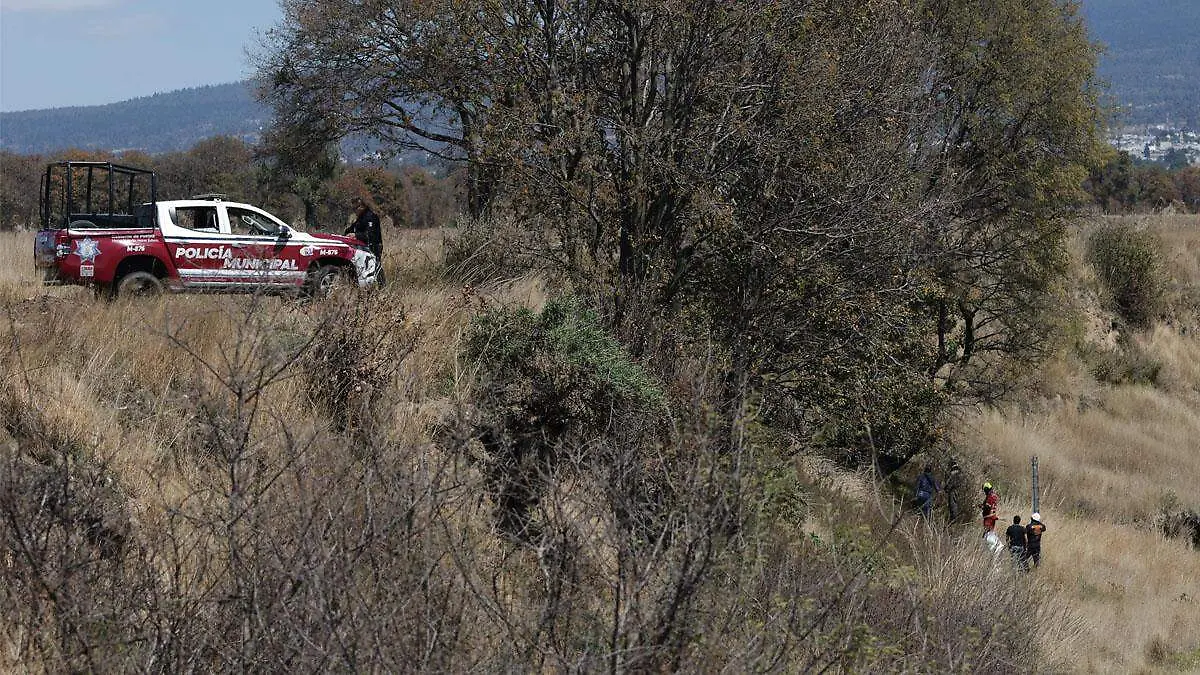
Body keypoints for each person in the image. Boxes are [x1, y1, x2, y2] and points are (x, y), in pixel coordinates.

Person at [346, 197, 384, 283]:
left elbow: (370, 235)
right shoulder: (360, 218)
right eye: (353, 208)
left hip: (373, 246)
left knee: (375, 268)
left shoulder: (371, 217)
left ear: (362, 206)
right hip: (363, 247)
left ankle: (381, 287)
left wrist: (356, 235)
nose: (354, 211)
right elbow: (351, 229)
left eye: (356, 208)